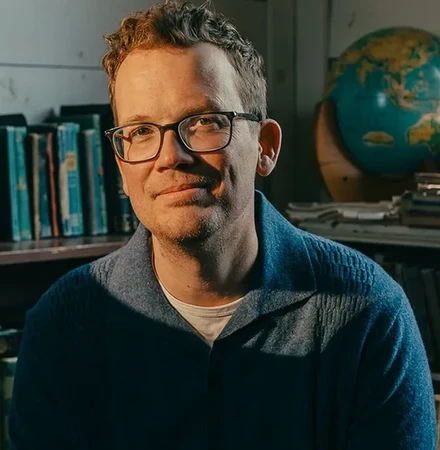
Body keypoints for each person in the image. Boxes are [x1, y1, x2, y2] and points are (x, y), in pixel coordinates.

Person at [8, 1, 437, 449]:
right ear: (121, 165)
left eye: (205, 122)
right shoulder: (61, 327)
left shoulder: (368, 312)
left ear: (265, 147)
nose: (171, 156)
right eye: (141, 131)